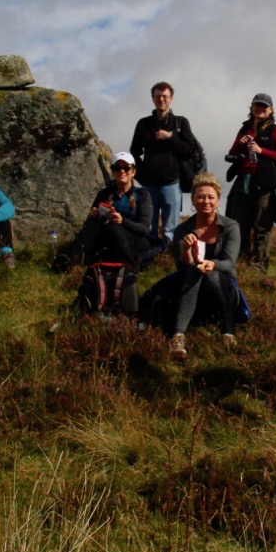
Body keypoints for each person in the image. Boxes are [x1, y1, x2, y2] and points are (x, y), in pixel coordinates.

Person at [168, 172, 242, 359]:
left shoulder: (230, 227)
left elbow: (229, 263)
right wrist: (186, 249)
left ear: (218, 201)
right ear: (193, 200)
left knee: (211, 274)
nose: (206, 201)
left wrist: (212, 264)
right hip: (190, 286)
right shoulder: (183, 230)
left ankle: (228, 332)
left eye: (211, 197)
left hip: (224, 287)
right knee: (194, 271)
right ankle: (178, 337)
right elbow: (182, 266)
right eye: (200, 197)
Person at [223, 92, 276, 277]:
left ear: (271, 110)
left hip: (265, 184)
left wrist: (262, 151)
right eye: (257, 105)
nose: (260, 109)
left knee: (262, 226)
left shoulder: (275, 130)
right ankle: (240, 265)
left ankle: (258, 270)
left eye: (264, 106)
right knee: (239, 225)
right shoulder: (244, 128)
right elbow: (232, 152)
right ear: (252, 108)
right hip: (243, 181)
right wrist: (240, 144)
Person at [56, 151, 155, 275]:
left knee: (112, 225)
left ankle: (130, 266)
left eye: (126, 168)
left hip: (134, 240)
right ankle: (70, 261)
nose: (122, 171)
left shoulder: (142, 195)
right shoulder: (105, 194)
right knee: (94, 225)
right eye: (117, 168)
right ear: (113, 171)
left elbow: (144, 229)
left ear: (133, 172)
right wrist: (93, 216)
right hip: (109, 239)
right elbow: (88, 224)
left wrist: (122, 221)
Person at [130, 81, 199, 246]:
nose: (161, 99)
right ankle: (149, 254)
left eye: (165, 96)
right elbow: (134, 151)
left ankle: (168, 254)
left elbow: (190, 149)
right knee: (149, 226)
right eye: (158, 96)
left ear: (171, 99)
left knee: (170, 229)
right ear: (153, 99)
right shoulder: (144, 124)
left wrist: (171, 137)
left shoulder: (180, 122)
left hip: (172, 182)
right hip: (149, 184)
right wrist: (141, 174)